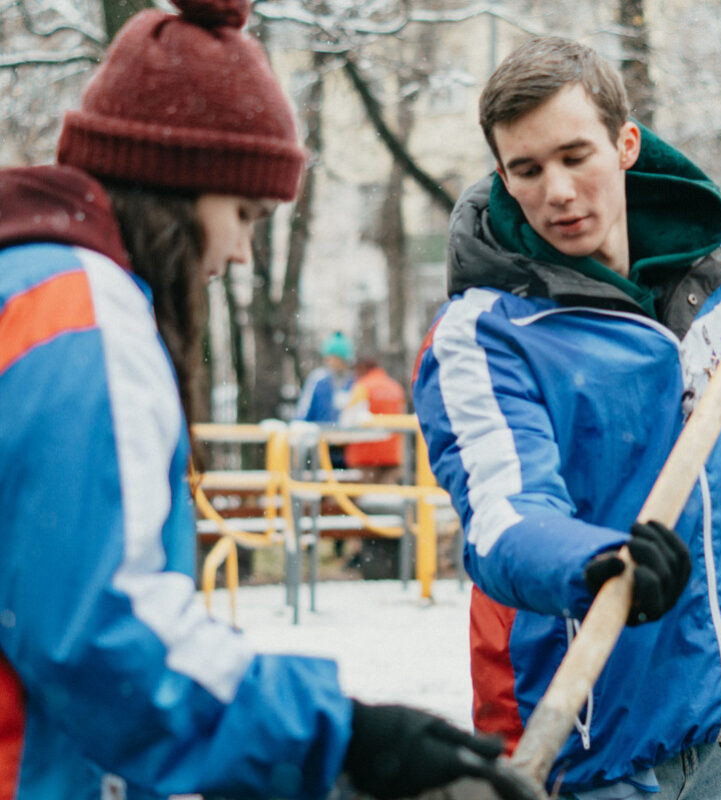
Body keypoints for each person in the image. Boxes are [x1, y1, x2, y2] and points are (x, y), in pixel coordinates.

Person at [0, 2, 535, 798]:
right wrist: (341, 735)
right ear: (178, 191)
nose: (242, 252)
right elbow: (104, 632)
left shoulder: (24, 288)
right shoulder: (83, 317)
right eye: (243, 215)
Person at [412, 34, 721, 800]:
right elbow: (504, 518)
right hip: (583, 744)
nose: (556, 191)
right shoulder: (487, 337)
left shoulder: (717, 270)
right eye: (527, 169)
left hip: (709, 725)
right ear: (503, 178)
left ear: (626, 145)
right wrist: (594, 561)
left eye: (574, 155)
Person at [341, 352, 407, 484]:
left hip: (365, 456)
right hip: (392, 455)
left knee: (363, 500)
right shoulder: (395, 387)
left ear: (361, 368)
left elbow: (348, 420)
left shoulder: (363, 386)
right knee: (387, 499)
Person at [294, 331, 356, 425]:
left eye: (335, 358)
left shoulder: (353, 381)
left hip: (345, 437)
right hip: (319, 435)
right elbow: (303, 410)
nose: (330, 362)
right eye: (328, 358)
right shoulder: (318, 379)